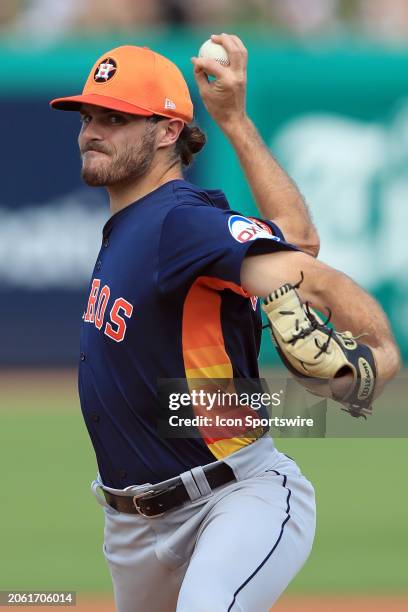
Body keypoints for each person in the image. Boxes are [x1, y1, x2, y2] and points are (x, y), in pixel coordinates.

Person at [50, 34, 399, 612]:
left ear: (166, 133)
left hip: (234, 499)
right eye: (88, 114)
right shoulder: (148, 224)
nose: (91, 130)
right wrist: (234, 120)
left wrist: (379, 354)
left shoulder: (176, 224)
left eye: (115, 117)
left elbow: (314, 276)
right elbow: (298, 234)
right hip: (132, 528)